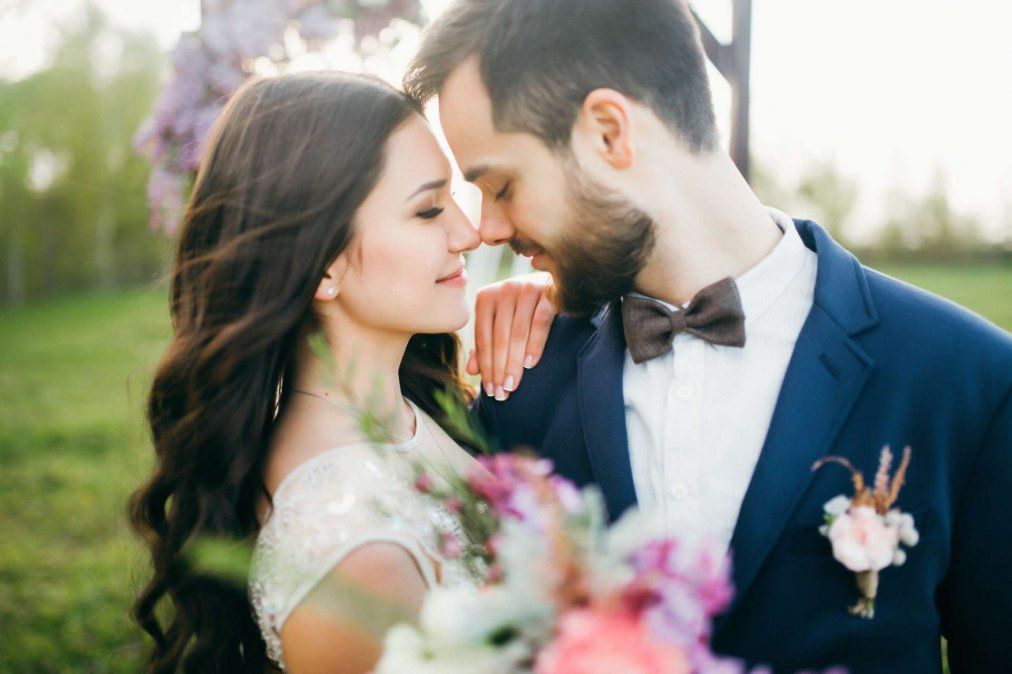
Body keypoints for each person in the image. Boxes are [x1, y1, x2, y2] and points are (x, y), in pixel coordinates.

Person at [406, 1, 1012, 672]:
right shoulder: (520, 377)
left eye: (501, 186)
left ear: (609, 133)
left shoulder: (967, 379)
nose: (487, 229)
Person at [129, 71, 552, 674]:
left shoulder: (403, 410)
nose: (469, 232)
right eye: (428, 209)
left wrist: (549, 302)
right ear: (323, 265)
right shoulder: (359, 556)